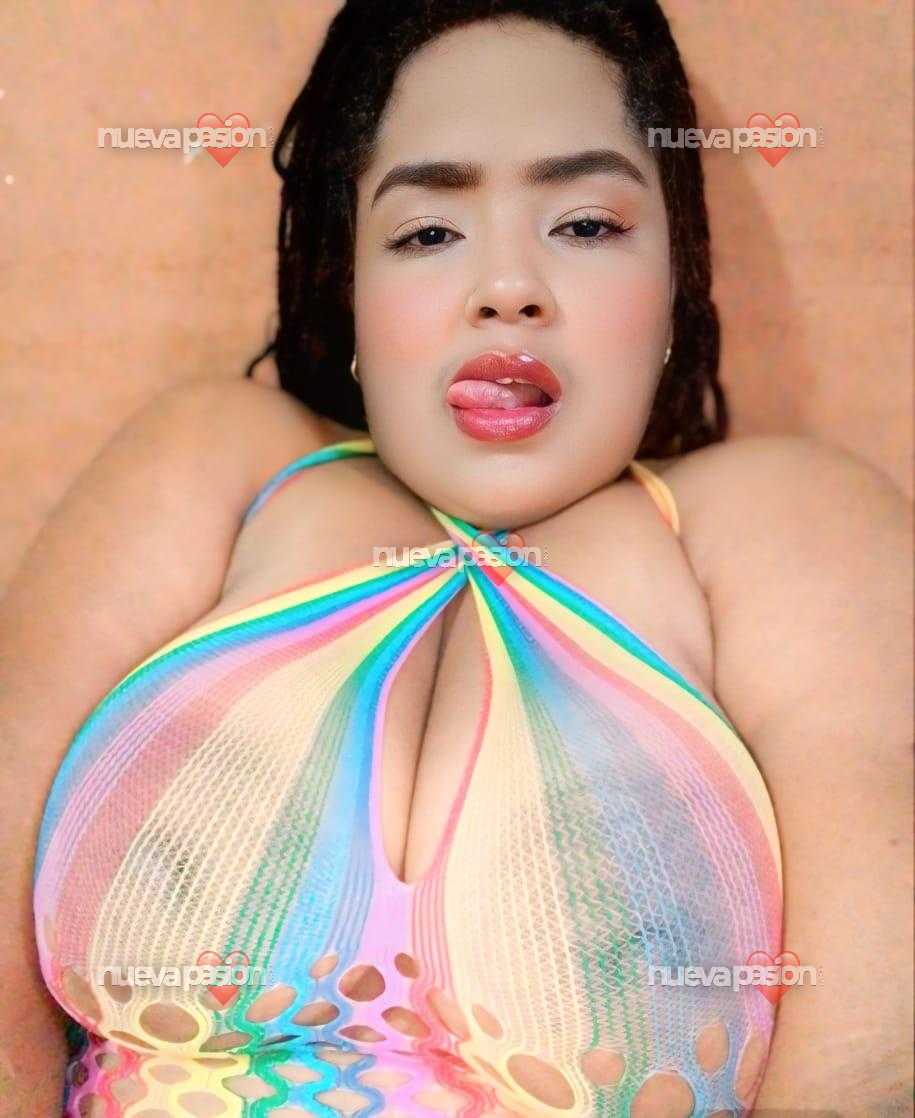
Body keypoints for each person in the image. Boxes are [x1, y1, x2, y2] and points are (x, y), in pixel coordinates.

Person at [1, 2, 911, 1116]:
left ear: (675, 277)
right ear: (348, 287)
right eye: (429, 233)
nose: (507, 288)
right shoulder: (217, 461)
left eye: (585, 223)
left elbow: (873, 1062)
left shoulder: (790, 521)